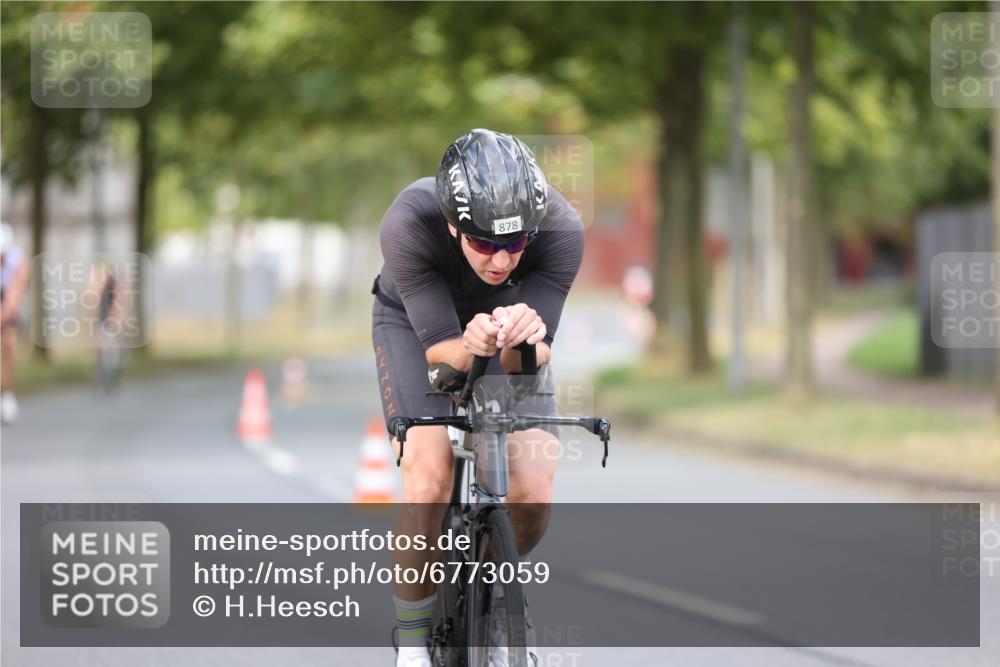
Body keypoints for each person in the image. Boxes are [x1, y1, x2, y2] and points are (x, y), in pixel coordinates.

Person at [371, 129, 584, 667]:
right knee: (430, 478)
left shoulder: (561, 231)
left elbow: (525, 366)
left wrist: (524, 341)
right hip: (421, 329)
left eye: (515, 244)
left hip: (512, 334)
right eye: (485, 243)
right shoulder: (407, 225)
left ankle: (494, 602)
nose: (502, 260)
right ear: (452, 227)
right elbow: (444, 357)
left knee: (532, 491)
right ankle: (414, 647)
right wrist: (471, 344)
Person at [1, 223, 30, 424]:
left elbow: (12, 299)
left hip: (7, 301)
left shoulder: (19, 263)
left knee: (7, 341)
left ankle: (8, 396)